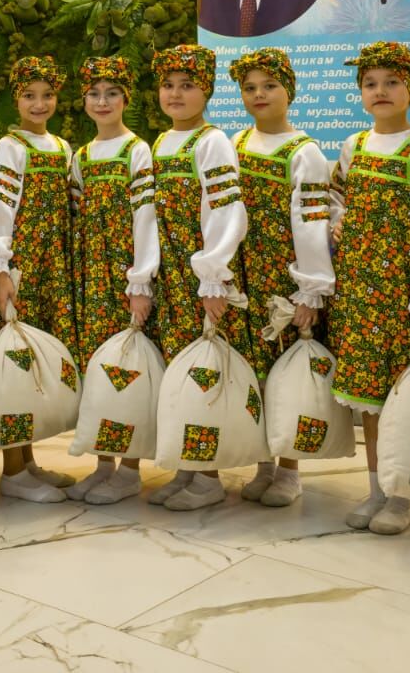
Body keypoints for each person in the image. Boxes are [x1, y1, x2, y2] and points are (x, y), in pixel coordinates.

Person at [329, 42, 410, 536]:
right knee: (368, 394)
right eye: (370, 83)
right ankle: (376, 489)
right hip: (359, 291)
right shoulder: (355, 145)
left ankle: (401, 496)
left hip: (401, 294)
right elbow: (337, 196)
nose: (380, 91)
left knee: (402, 395)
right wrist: (338, 222)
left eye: (391, 82)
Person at [148, 44, 255, 511]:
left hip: (199, 279)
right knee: (180, 372)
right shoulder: (160, 143)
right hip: (171, 276)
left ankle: (209, 476)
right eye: (168, 85)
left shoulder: (212, 142)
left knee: (204, 375)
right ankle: (186, 468)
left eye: (187, 86)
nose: (175, 94)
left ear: (207, 91)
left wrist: (214, 277)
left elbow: (226, 211)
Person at [228, 48, 335, 508]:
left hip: (283, 275)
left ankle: (290, 468)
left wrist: (309, 288)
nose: (259, 95)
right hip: (243, 273)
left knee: (287, 370)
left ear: (289, 90)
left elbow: (312, 224)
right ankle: (263, 463)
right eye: (250, 88)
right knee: (252, 367)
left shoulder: (304, 152)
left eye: (269, 86)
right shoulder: (236, 142)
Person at [0, 56, 80, 502]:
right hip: (21, 265)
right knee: (16, 367)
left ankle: (29, 461)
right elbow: (0, 208)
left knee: (37, 364)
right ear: (15, 100)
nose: (39, 104)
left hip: (51, 266)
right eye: (29, 96)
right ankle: (12, 469)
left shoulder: (61, 146)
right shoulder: (10, 146)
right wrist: (2, 267)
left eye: (47, 95)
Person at [66, 56, 160, 504]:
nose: (102, 102)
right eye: (94, 94)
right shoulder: (81, 155)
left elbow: (146, 217)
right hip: (92, 273)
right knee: (99, 369)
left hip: (125, 272)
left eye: (112, 93)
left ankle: (130, 469)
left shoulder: (136, 150)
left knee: (129, 370)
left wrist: (140, 282)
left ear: (127, 99)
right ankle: (103, 463)